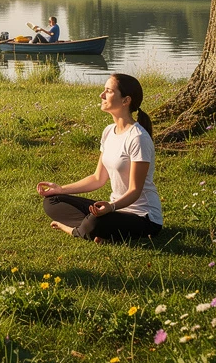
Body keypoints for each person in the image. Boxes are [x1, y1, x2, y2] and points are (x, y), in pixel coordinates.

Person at [36, 73, 162, 242]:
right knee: (52, 201)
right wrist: (61, 189)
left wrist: (112, 207)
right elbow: (97, 178)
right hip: (113, 210)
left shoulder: (138, 138)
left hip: (142, 217)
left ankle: (75, 230)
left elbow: (135, 190)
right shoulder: (109, 131)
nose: (101, 95)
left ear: (126, 100)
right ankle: (97, 231)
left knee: (94, 221)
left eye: (108, 91)